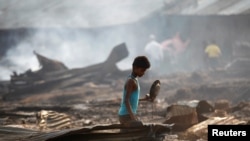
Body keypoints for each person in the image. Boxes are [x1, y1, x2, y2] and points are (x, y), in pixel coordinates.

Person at [118, 56, 151, 128]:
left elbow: (131, 99)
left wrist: (144, 99)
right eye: (142, 70)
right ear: (135, 68)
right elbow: (126, 100)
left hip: (127, 114)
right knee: (141, 128)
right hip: (126, 115)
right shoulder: (131, 81)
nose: (143, 73)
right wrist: (133, 117)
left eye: (144, 71)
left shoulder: (134, 79)